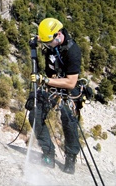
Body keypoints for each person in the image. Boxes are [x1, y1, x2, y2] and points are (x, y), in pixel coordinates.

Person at [28, 18, 82, 174]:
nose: (47, 46)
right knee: (35, 114)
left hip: (66, 85)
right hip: (51, 83)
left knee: (69, 120)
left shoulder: (73, 51)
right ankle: (48, 153)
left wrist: (45, 80)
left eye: (49, 42)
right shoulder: (51, 40)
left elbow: (71, 82)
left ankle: (71, 157)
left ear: (59, 35)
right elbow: (41, 38)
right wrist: (34, 41)